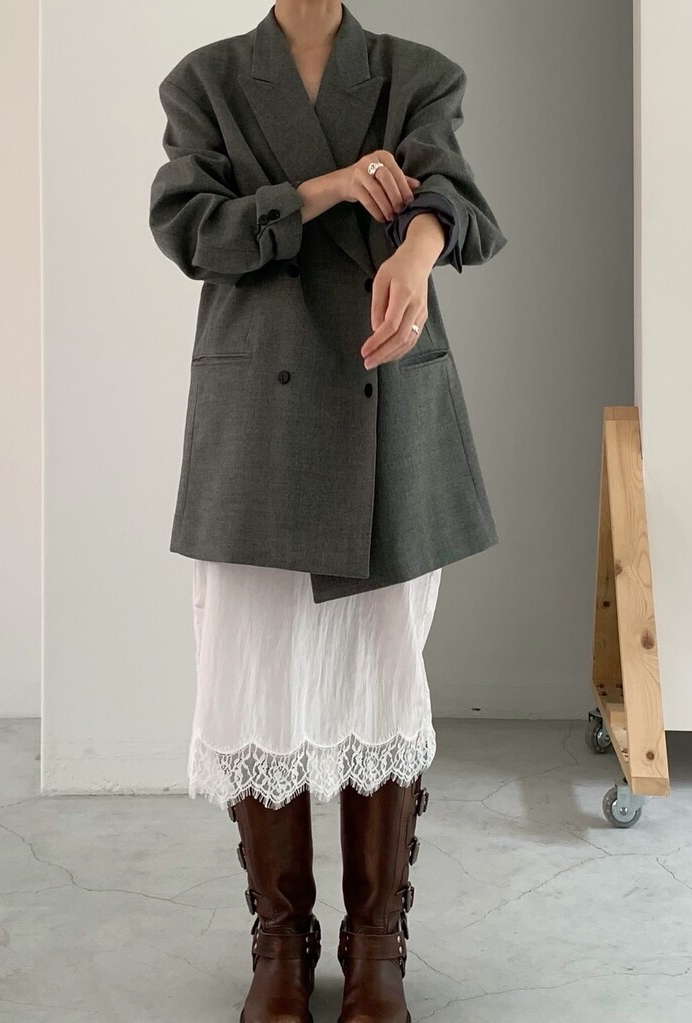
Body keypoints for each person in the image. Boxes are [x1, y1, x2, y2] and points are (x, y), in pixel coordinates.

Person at [148, 3, 508, 1020]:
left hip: (381, 391)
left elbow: (454, 193)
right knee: (249, 668)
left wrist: (415, 252)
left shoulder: (414, 71)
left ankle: (375, 942)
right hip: (256, 409)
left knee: (382, 671)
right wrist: (330, 188)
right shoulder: (207, 79)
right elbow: (191, 228)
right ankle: (280, 941)